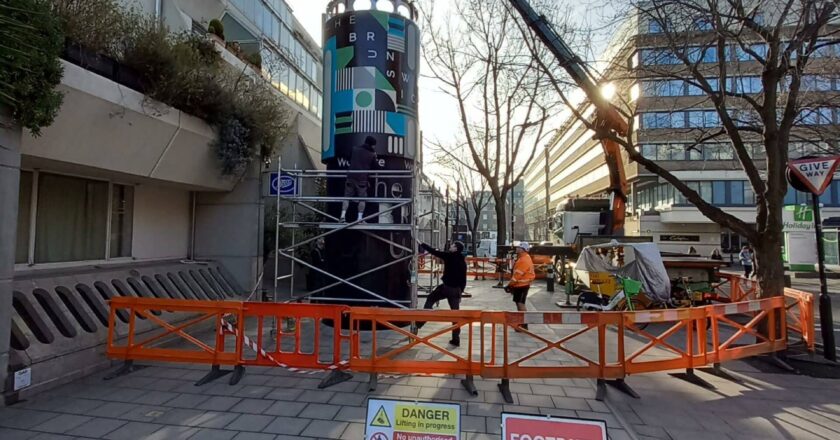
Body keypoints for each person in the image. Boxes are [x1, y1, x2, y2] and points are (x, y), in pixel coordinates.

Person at [420, 241, 467, 346]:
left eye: (452, 245)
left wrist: (423, 244)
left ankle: (421, 321)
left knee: (431, 298)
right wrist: (460, 292)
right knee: (455, 315)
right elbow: (464, 279)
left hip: (446, 288)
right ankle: (456, 339)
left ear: (456, 248)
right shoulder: (462, 261)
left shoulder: (449, 256)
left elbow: (434, 252)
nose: (450, 246)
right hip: (456, 290)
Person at [340, 136, 378, 222]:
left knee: (347, 197)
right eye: (374, 145)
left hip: (350, 176)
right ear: (372, 145)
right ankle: (359, 218)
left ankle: (342, 216)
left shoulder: (354, 149)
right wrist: (375, 157)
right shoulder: (371, 154)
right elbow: (376, 167)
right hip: (362, 179)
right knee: (362, 198)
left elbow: (348, 158)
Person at [506, 242, 536, 330]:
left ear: (523, 250)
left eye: (519, 247)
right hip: (521, 285)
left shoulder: (523, 260)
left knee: (520, 304)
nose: (517, 248)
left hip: (522, 285)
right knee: (519, 304)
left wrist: (509, 285)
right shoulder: (524, 258)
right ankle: (521, 322)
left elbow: (517, 275)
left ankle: (524, 324)